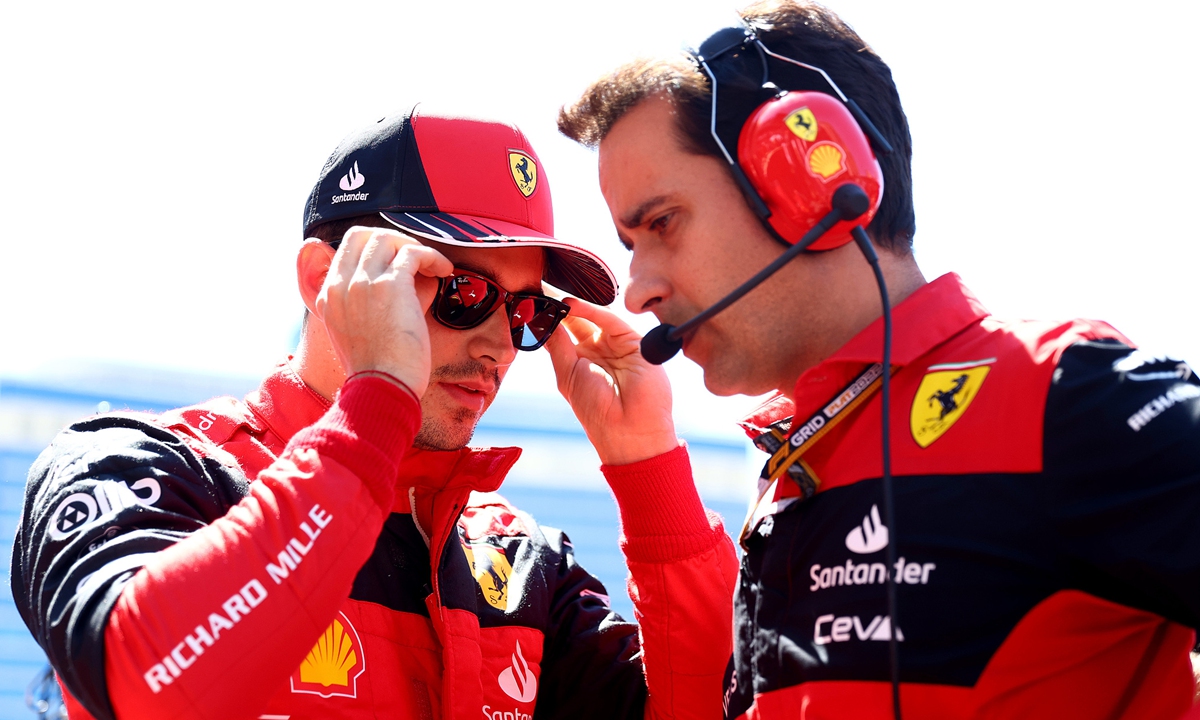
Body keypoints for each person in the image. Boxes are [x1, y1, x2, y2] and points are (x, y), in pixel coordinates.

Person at [556, 0, 1200, 717]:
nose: (638, 289)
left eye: (662, 224)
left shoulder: (1067, 393)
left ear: (802, 184)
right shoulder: (795, 472)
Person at [11, 108, 736, 720]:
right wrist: (378, 401)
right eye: (463, 292)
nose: (498, 349)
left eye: (524, 312)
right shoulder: (142, 466)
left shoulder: (522, 564)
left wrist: (649, 469)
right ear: (326, 281)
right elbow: (149, 685)